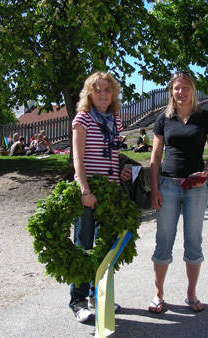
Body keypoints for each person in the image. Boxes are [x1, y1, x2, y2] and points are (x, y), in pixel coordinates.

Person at [149, 72, 208, 314]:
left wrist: (205, 173)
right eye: (177, 88)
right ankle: (158, 294)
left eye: (186, 87)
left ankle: (191, 293)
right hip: (167, 186)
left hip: (195, 188)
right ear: (171, 91)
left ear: (193, 90)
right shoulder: (164, 119)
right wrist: (155, 188)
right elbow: (156, 157)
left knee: (193, 242)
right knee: (164, 241)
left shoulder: (206, 118)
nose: (181, 92)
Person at [70, 71, 132, 323]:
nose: (103, 94)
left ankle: (99, 296)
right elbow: (78, 158)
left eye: (108, 90)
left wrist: (123, 171)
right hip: (88, 191)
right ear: (90, 94)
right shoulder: (82, 119)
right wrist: (85, 190)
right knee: (83, 246)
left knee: (106, 247)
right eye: (98, 90)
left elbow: (112, 155)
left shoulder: (115, 120)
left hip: (111, 192)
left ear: (113, 93)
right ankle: (78, 302)